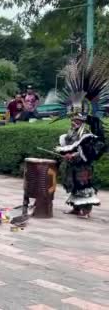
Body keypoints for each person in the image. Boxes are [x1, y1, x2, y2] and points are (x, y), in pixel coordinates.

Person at [54, 57, 108, 218]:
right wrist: (66, 154)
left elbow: (86, 150)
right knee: (73, 184)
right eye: (72, 119)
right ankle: (76, 208)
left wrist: (74, 155)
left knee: (84, 184)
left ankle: (86, 210)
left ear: (82, 120)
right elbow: (68, 144)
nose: (73, 122)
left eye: (76, 120)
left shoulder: (87, 133)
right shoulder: (71, 132)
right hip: (73, 164)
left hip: (83, 164)